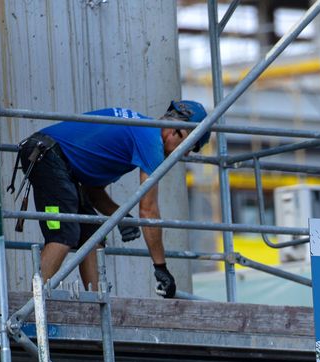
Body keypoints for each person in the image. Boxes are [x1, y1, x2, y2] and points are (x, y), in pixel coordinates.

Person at [13, 100, 209, 297]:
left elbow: (93, 191)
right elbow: (148, 210)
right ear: (177, 131)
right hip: (47, 158)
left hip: (59, 164)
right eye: (189, 147)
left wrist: (121, 217)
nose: (184, 154)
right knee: (63, 234)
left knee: (93, 236)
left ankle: (99, 309)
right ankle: (30, 308)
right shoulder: (152, 141)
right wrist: (161, 268)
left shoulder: (141, 133)